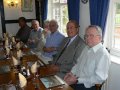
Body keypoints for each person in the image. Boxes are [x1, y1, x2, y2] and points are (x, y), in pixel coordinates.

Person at [64, 25, 111, 90]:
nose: (87, 38)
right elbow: (78, 64)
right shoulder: (86, 48)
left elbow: (99, 78)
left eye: (91, 36)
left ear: (100, 38)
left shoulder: (103, 54)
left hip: (87, 86)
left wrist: (77, 80)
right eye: (86, 36)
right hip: (76, 81)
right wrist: (71, 73)